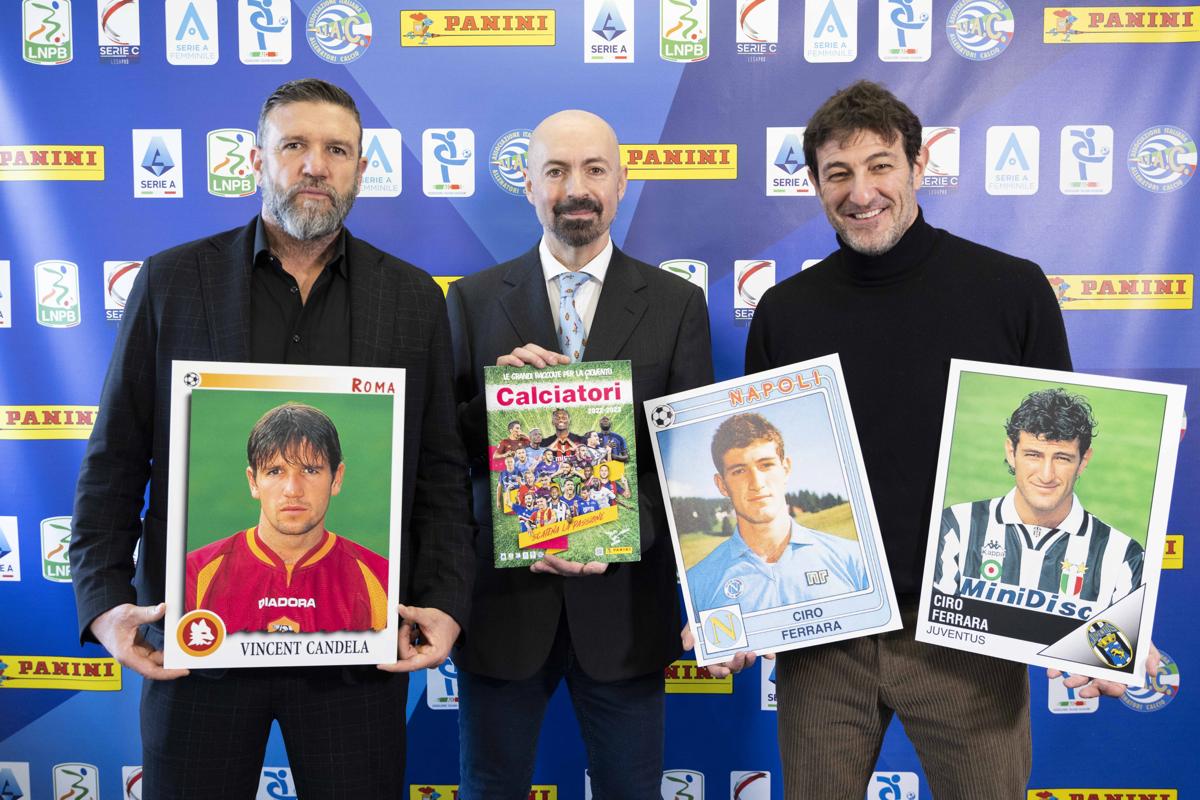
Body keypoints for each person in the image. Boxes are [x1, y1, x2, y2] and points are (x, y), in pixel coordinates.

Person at [70, 78, 473, 798]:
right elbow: (115, 460)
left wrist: (443, 599)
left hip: (359, 655)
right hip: (195, 649)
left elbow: (439, 470)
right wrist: (102, 601)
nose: (315, 165)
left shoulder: (413, 298)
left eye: (336, 150)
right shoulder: (171, 282)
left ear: (359, 169)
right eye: (295, 145)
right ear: (258, 160)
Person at [744, 80, 1079, 798]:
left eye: (880, 165)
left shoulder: (1009, 290)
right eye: (838, 173)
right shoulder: (783, 313)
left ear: (918, 167)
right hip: (825, 638)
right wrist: (738, 608)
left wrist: (1090, 627)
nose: (860, 191)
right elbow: (762, 478)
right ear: (814, 185)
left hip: (969, 636)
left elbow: (1064, 463)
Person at [445, 109, 712, 800]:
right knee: (489, 787)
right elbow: (442, 455)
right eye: (556, 170)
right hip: (503, 605)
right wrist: (495, 406)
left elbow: (683, 465)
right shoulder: (471, 303)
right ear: (529, 185)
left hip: (623, 609)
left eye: (595, 169)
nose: (576, 187)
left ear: (621, 183)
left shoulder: (678, 305)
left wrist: (621, 535)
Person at [184, 403, 389, 635]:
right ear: (253, 482)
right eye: (275, 471)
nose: (292, 490)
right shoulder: (193, 575)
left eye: (310, 470)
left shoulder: (381, 580)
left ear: (337, 478)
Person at [934, 389, 1144, 606]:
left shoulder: (1123, 557)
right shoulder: (954, 528)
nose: (1046, 475)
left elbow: (1122, 639)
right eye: (1033, 455)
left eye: (1062, 458)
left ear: (1083, 460)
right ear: (1010, 451)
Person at [686, 413, 867, 614]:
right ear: (722, 485)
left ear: (786, 468)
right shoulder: (695, 583)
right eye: (739, 471)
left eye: (766, 465)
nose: (757, 483)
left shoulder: (854, 558)